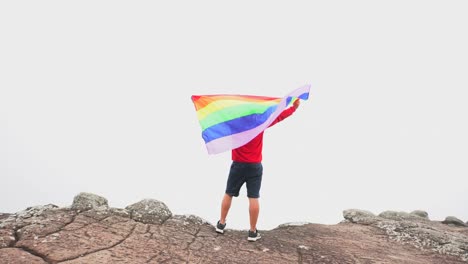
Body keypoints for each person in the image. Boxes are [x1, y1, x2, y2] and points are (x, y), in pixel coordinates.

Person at [215, 98, 301, 241]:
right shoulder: (259, 122)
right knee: (253, 197)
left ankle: (221, 224)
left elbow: (218, 116)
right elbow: (279, 116)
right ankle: (252, 232)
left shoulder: (234, 123)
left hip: (237, 165)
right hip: (254, 166)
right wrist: (294, 108)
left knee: (229, 193)